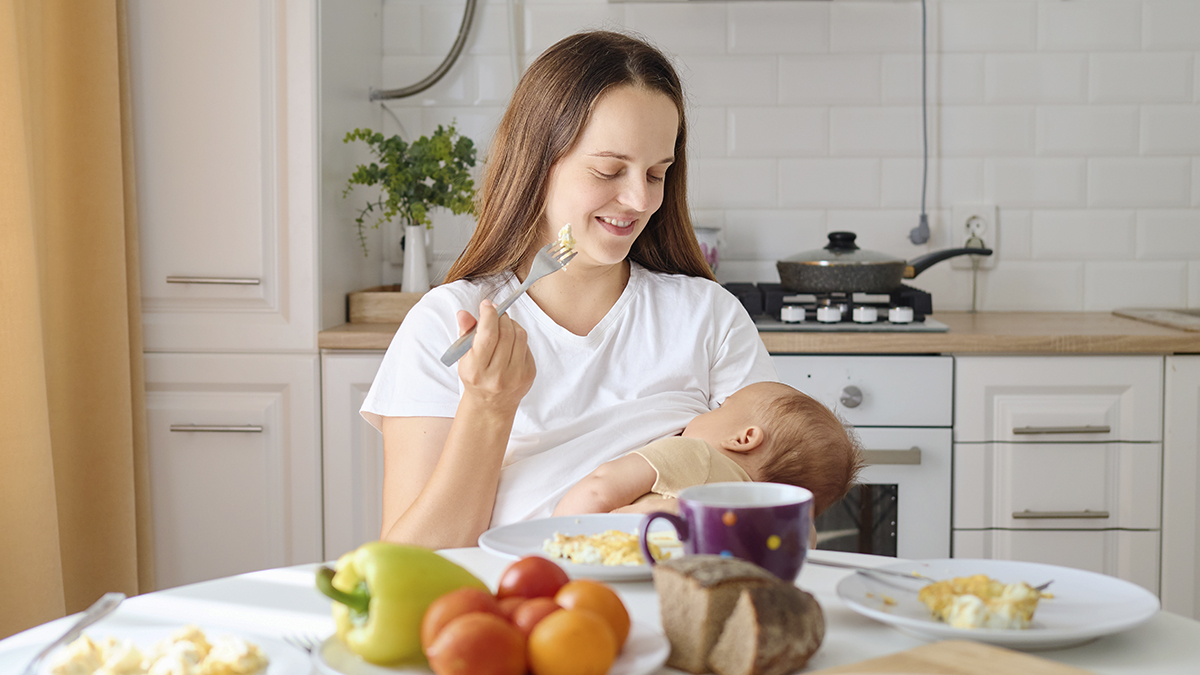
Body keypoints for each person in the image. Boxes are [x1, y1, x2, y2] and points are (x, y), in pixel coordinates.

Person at [360, 30, 777, 549]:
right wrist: (489, 407)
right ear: (539, 161)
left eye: (656, 173)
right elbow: (410, 562)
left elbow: (771, 507)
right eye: (608, 169)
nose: (638, 199)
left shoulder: (708, 317)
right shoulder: (446, 323)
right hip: (509, 612)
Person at [552, 381, 864, 518]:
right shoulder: (752, 519)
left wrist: (557, 535)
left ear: (743, 439)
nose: (704, 411)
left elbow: (600, 486)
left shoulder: (696, 455)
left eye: (720, 406)